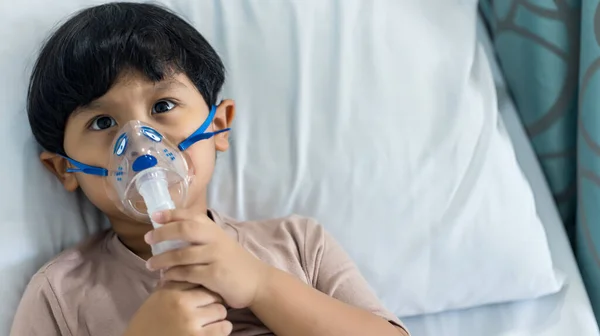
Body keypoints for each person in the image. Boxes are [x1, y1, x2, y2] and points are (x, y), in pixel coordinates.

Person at [10, 2, 409, 336]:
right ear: (64, 169)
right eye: (101, 123)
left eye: (163, 106)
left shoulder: (297, 245)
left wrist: (262, 285)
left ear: (218, 125)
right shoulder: (59, 294)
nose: (139, 144)